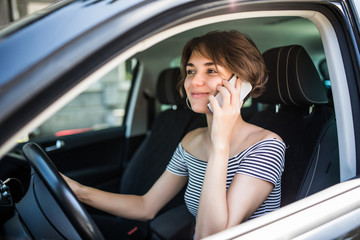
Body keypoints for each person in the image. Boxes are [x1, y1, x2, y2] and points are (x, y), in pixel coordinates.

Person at [63, 30, 286, 239]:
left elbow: (212, 234)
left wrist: (220, 144)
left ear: (242, 83)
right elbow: (147, 206)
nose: (194, 82)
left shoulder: (266, 146)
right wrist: (79, 192)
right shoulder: (192, 140)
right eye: (191, 71)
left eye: (211, 70)